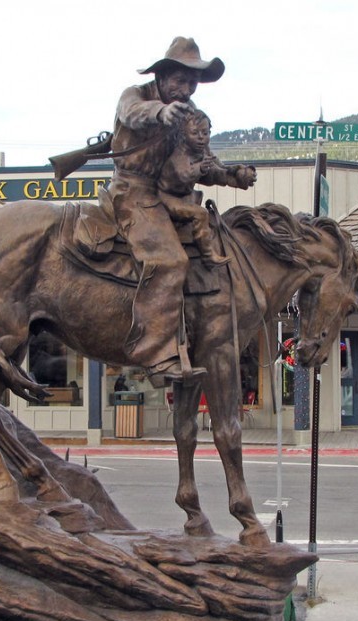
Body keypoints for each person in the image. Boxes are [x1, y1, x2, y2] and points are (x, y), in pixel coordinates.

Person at [106, 37, 256, 387]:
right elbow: (132, 113)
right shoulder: (137, 95)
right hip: (134, 194)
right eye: (181, 80)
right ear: (161, 76)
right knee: (171, 262)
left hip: (167, 197)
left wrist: (232, 175)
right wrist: (161, 112)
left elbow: (201, 159)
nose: (187, 88)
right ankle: (156, 354)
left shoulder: (189, 114)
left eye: (192, 82)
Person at [157, 109, 231, 269]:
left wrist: (237, 173)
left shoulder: (203, 151)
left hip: (185, 197)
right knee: (201, 213)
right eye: (195, 133)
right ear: (184, 135)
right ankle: (208, 255)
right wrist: (200, 168)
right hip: (167, 198)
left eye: (205, 133)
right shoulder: (180, 153)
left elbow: (219, 169)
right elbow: (183, 174)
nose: (201, 138)